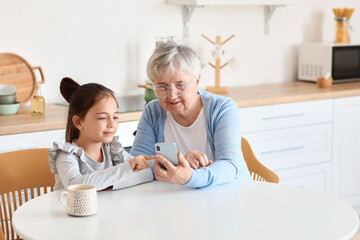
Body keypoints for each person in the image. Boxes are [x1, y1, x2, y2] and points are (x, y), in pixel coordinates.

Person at [130, 41, 251, 188]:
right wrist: (179, 163)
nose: (172, 96)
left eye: (180, 85)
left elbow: (229, 166)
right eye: (162, 87)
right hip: (178, 198)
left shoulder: (222, 108)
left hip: (228, 193)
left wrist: (189, 176)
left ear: (197, 81)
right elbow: (136, 165)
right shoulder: (152, 112)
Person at [49, 77, 154, 190]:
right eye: (103, 118)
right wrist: (126, 169)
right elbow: (76, 185)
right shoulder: (67, 155)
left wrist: (108, 184)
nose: (111, 124)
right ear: (78, 122)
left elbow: (146, 174)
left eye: (115, 117)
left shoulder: (112, 149)